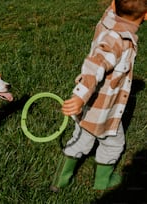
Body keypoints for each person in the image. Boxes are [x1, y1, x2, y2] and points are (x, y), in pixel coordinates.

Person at [51, 0, 147, 191]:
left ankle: (60, 181)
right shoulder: (119, 41)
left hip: (90, 106)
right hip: (104, 109)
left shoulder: (108, 21)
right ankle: (102, 181)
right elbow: (94, 66)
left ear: (112, 5)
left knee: (81, 140)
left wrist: (81, 98)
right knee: (113, 143)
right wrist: (79, 96)